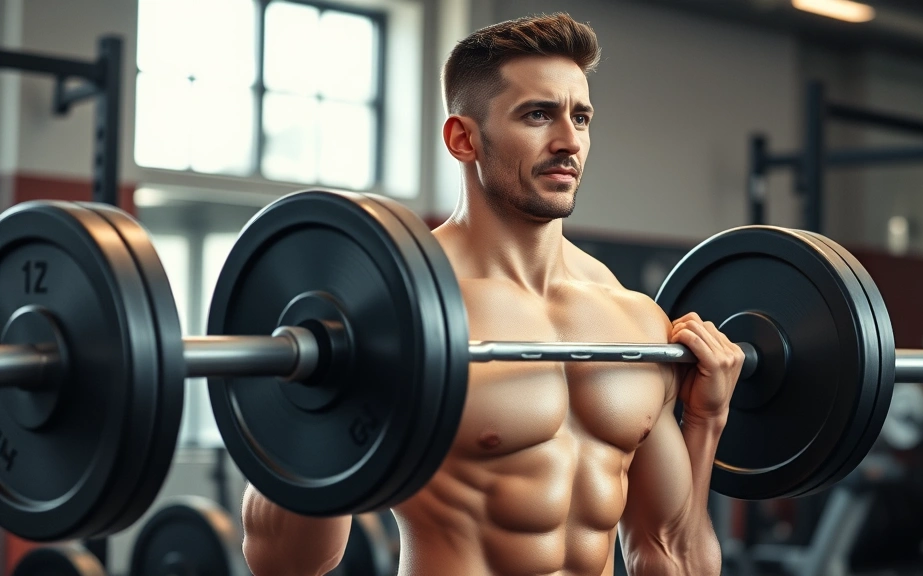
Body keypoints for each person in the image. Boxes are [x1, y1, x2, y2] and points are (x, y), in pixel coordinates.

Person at [241, 13, 744, 576]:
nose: (569, 141)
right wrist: (317, 397)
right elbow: (283, 562)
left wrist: (707, 421)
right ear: (464, 139)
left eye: (581, 117)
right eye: (538, 115)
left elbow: (671, 554)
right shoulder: (398, 311)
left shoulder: (636, 322)